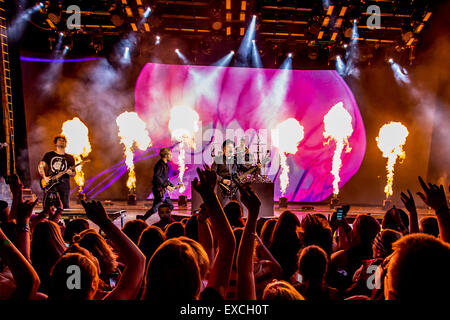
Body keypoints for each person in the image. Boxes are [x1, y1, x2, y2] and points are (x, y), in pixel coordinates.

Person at [211, 140, 259, 207]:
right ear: (223, 149)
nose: (229, 150)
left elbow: (246, 169)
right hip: (223, 186)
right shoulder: (218, 159)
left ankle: (239, 216)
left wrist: (256, 167)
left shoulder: (236, 159)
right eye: (227, 148)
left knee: (239, 205)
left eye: (231, 148)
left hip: (234, 185)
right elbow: (213, 173)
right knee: (219, 207)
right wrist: (222, 180)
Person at [137, 148, 181, 221]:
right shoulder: (160, 165)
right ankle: (142, 219)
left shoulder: (165, 165)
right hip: (159, 190)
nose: (171, 156)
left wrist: (172, 185)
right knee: (156, 208)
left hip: (164, 190)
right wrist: (165, 185)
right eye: (170, 154)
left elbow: (164, 179)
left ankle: (143, 218)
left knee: (169, 206)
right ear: (166, 155)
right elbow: (157, 177)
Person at [38, 136, 75, 208]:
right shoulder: (49, 155)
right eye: (59, 140)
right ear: (55, 143)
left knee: (64, 206)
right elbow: (41, 166)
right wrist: (45, 177)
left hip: (64, 184)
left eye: (63, 140)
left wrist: (70, 173)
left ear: (66, 144)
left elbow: (74, 173)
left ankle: (65, 219)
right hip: (51, 183)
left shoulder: (70, 157)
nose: (61, 141)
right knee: (48, 205)